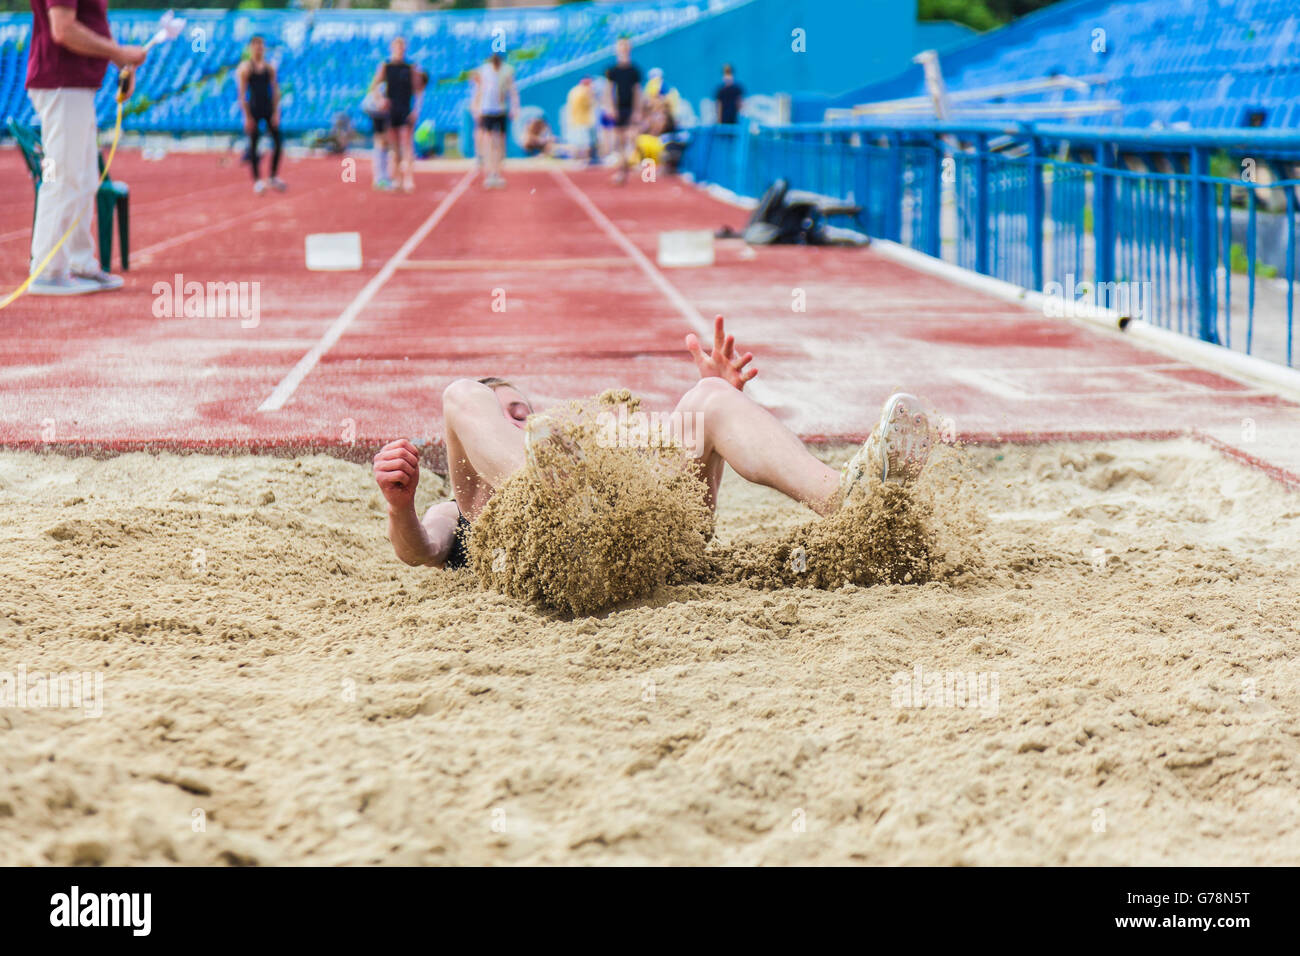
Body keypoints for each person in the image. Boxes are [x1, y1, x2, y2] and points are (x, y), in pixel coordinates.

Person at [372, 316, 933, 570]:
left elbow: (667, 461)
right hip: (550, 559)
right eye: (508, 416)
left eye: (527, 414)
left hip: (645, 548)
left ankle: (854, 499)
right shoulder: (463, 506)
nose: (522, 420)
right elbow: (420, 550)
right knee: (460, 391)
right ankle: (544, 494)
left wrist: (723, 406)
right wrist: (401, 507)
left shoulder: (585, 448)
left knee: (708, 397)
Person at [25, 0, 146, 296]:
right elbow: (63, 29)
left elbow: (90, 22)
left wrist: (120, 62)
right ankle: (47, 268)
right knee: (63, 176)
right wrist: (119, 54)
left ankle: (78, 262)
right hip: (61, 84)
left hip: (74, 86)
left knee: (84, 179)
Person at [235, 35, 284, 194]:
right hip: (254, 109)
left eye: (261, 45)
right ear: (250, 48)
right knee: (254, 145)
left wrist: (276, 112)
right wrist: (246, 116)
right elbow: (242, 94)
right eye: (256, 45)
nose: (259, 48)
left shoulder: (270, 68)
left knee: (278, 142)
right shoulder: (245, 68)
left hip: (268, 108)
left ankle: (273, 176)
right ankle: (257, 180)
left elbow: (275, 91)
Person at [370, 37, 417, 193]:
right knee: (394, 146)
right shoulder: (385, 66)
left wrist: (416, 109)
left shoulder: (410, 67)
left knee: (407, 145)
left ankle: (408, 178)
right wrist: (380, 99)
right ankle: (396, 178)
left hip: (406, 109)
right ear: (392, 48)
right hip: (391, 110)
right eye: (397, 46)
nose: (400, 49)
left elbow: (418, 90)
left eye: (402, 46)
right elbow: (374, 86)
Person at [471, 51, 518, 189]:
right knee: (489, 143)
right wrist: (476, 106)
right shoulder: (484, 70)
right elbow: (477, 88)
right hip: (487, 110)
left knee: (500, 144)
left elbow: (512, 89)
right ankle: (489, 174)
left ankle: (497, 173)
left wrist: (515, 106)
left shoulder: (507, 70)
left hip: (501, 110)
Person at [604, 36, 642, 185]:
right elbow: (609, 90)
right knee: (619, 142)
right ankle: (622, 171)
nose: (623, 49)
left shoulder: (634, 71)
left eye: (626, 46)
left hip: (630, 109)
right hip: (618, 109)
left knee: (631, 139)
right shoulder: (612, 71)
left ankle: (627, 169)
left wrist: (637, 111)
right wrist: (611, 108)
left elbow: (637, 92)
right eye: (621, 46)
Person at [564, 76, 596, 161]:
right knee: (586, 143)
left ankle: (577, 159)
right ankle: (586, 159)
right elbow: (590, 103)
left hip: (574, 120)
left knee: (576, 143)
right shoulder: (584, 91)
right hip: (583, 121)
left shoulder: (573, 91)